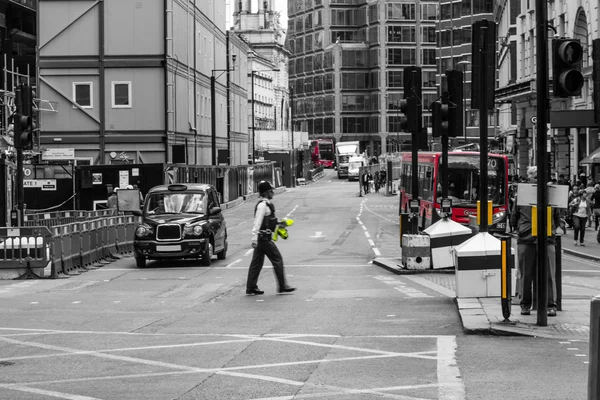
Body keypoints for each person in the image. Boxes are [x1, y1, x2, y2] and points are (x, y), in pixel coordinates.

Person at [510, 166, 559, 317]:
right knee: (526, 274)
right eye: (535, 177)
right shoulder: (524, 194)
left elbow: (556, 216)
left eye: (540, 177)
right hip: (528, 238)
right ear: (529, 178)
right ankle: (526, 304)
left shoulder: (551, 193)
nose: (537, 180)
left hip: (543, 238)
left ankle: (549, 305)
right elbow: (514, 216)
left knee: (548, 274)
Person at [246, 181, 295, 295]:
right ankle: (282, 285)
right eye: (271, 191)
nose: (273, 192)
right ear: (266, 192)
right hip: (263, 239)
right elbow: (257, 222)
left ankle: (251, 287)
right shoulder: (262, 205)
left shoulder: (268, 204)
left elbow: (268, 222)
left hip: (263, 238)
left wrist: (279, 224)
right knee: (277, 259)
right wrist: (254, 238)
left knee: (256, 263)